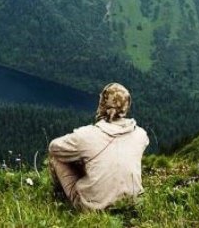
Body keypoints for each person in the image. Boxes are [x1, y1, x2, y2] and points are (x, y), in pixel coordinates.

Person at [48, 82, 148, 211]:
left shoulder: (87, 135)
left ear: (102, 104)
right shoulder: (141, 134)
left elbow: (53, 147)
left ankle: (60, 199)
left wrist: (80, 158)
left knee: (57, 159)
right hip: (132, 203)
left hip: (95, 208)